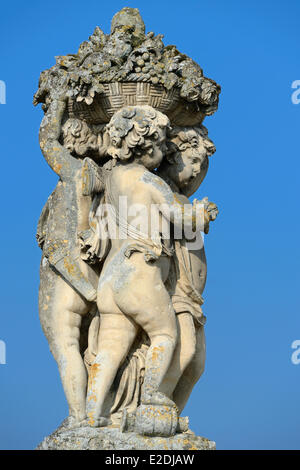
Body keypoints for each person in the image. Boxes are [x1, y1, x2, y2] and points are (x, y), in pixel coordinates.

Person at [85, 106, 206, 428]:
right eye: (162, 143)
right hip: (141, 271)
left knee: (110, 348)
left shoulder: (115, 179)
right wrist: (202, 215)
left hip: (112, 278)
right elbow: (179, 219)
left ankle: (92, 414)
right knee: (166, 334)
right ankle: (151, 396)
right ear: (148, 145)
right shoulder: (149, 181)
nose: (164, 150)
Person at [38, 94, 108, 425]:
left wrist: (59, 99)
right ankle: (97, 410)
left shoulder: (73, 170)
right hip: (93, 273)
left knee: (64, 345)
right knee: (86, 348)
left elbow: (45, 139)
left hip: (65, 271)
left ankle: (80, 418)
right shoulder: (106, 178)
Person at [157, 125, 218, 413]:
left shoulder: (180, 199)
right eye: (193, 162)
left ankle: (171, 413)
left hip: (193, 295)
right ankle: (155, 404)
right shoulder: (159, 191)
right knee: (186, 351)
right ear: (172, 156)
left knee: (196, 365)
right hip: (174, 287)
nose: (197, 171)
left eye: (201, 166)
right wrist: (197, 216)